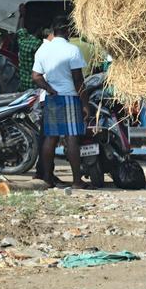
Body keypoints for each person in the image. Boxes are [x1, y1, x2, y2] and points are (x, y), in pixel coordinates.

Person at [32, 20, 90, 188]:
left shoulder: (43, 49)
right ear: (68, 31)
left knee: (50, 138)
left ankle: (48, 179)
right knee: (71, 138)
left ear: (54, 31)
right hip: (70, 97)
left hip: (52, 99)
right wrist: (85, 104)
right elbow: (78, 80)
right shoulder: (72, 50)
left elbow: (36, 76)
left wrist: (49, 89)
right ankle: (77, 181)